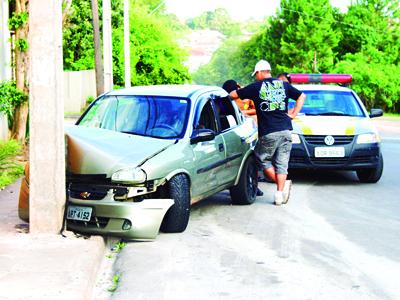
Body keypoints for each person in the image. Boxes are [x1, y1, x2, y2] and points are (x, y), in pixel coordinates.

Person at [229, 60, 305, 205]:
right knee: (282, 163)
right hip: (286, 130)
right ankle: (279, 193)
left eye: (256, 74)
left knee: (262, 158)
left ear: (259, 72)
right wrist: (294, 113)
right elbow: (302, 96)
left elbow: (233, 95)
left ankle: (281, 186)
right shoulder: (284, 84)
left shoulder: (256, 86)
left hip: (269, 131)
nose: (255, 77)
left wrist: (229, 93)